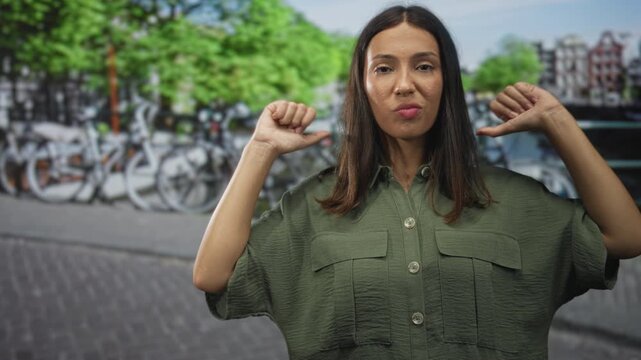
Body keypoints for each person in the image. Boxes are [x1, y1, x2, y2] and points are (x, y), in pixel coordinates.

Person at [193, 5, 641, 359]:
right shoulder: (314, 205)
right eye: (384, 68)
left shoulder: (512, 199)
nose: (405, 84)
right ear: (362, 85)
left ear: (446, 81)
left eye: (424, 66)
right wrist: (260, 149)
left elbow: (626, 235)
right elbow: (213, 274)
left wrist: (557, 121)